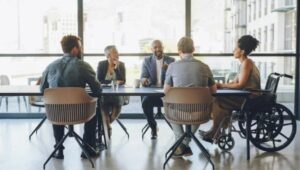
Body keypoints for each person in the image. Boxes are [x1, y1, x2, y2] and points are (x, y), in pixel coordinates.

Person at [40, 35, 101, 159]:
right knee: (95, 108)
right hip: (80, 113)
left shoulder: (50, 66)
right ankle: (87, 149)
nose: (82, 50)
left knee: (56, 105)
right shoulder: (84, 65)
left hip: (56, 114)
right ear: (74, 49)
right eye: (80, 47)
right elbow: (97, 89)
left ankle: (59, 149)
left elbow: (43, 90)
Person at [200, 35, 261, 142]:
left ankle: (216, 131)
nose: (233, 50)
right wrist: (220, 85)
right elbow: (234, 82)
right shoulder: (245, 63)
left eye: (236, 48)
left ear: (242, 51)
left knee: (217, 99)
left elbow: (240, 85)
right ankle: (217, 130)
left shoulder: (247, 63)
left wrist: (221, 85)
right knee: (219, 97)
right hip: (246, 96)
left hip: (250, 99)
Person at [164, 37, 217, 157]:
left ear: (179, 51)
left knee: (167, 104)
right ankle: (184, 144)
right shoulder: (205, 67)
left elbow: (166, 91)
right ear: (193, 49)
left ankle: (181, 142)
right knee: (200, 105)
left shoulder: (172, 66)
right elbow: (214, 91)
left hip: (177, 112)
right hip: (200, 113)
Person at [141, 40, 175, 139]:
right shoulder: (147, 60)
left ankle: (178, 129)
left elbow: (175, 78)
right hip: (152, 92)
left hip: (167, 93)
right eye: (155, 47)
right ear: (152, 49)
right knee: (145, 102)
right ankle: (153, 127)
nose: (158, 49)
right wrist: (144, 80)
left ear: (163, 48)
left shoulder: (171, 60)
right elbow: (143, 76)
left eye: (160, 47)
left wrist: (169, 69)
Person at [97, 45, 126, 138]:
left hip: (117, 93)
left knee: (117, 105)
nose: (118, 54)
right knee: (103, 105)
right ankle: (108, 128)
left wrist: (117, 68)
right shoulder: (101, 64)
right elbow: (99, 80)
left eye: (117, 52)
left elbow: (123, 81)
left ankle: (105, 126)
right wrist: (113, 81)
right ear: (108, 55)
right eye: (115, 52)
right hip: (104, 93)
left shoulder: (121, 64)